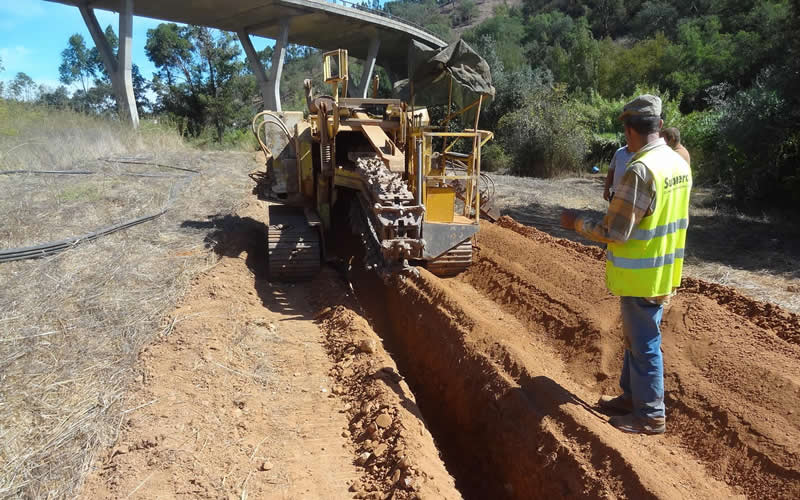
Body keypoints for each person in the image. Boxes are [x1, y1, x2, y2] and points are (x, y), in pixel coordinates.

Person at [560, 94, 692, 435]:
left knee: (645, 341)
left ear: (628, 130)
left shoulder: (641, 170)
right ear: (659, 126)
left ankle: (650, 415)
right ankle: (630, 397)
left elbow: (615, 231)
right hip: (665, 267)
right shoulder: (678, 163)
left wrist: (576, 222)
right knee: (637, 338)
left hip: (641, 273)